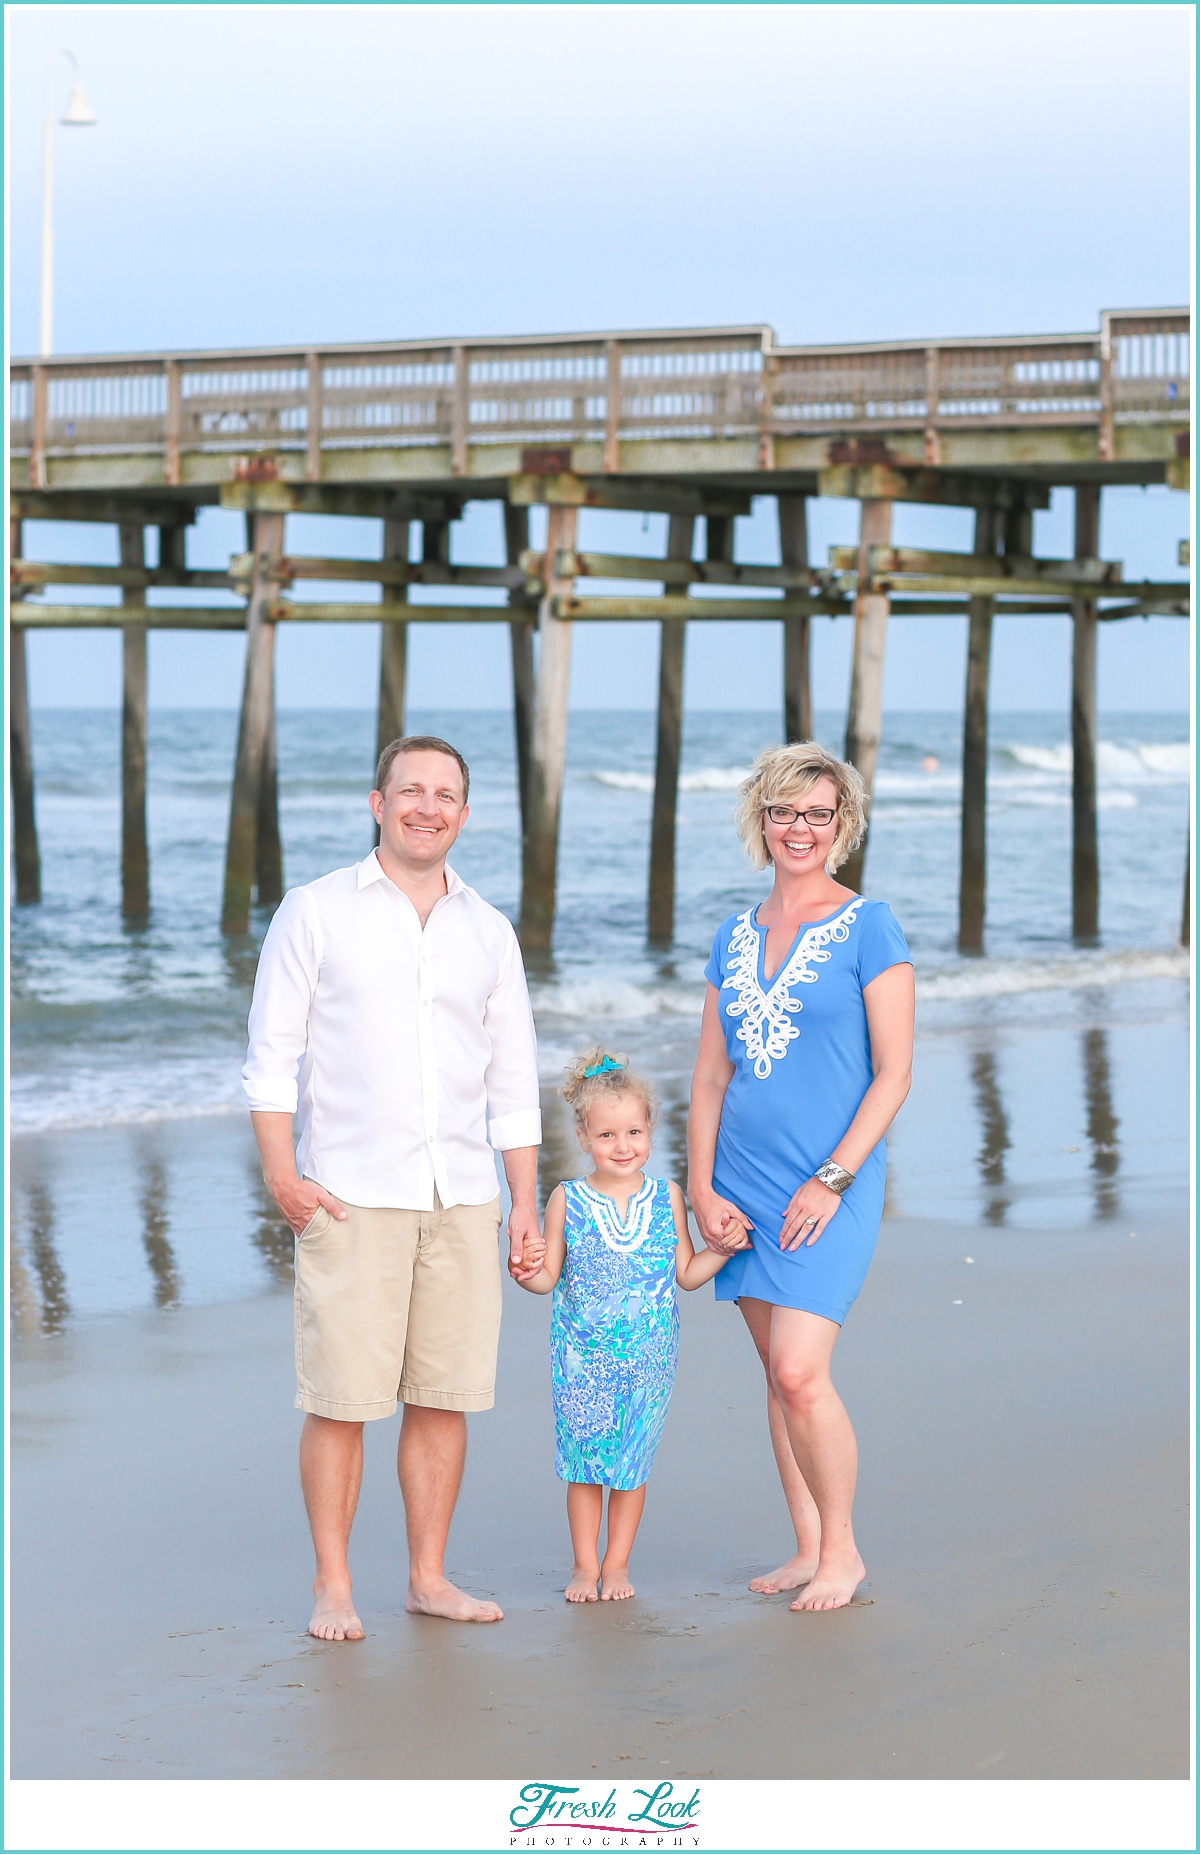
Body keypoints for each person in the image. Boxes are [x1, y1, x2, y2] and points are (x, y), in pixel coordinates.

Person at [242, 734, 544, 1642]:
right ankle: (333, 1586)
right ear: (377, 804)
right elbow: (270, 1059)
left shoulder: (489, 930)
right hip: (350, 1196)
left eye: (445, 794)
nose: (427, 806)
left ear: (464, 813)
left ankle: (427, 1577)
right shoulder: (316, 911)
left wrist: (523, 1200)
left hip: (462, 1195)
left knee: (443, 1395)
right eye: (410, 790)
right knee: (341, 1402)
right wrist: (282, 1176)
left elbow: (514, 1081)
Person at [688, 742, 914, 1613]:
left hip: (830, 1187)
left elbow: (893, 1074)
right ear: (762, 819)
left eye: (818, 813)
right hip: (740, 1183)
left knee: (797, 1372)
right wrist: (703, 1188)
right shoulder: (732, 936)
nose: (800, 828)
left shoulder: (870, 926)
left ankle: (844, 1553)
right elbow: (710, 1080)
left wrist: (832, 1179)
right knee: (772, 1372)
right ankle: (807, 1544)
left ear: (842, 827)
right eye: (785, 810)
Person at [515, 1048, 746, 1603]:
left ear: (650, 1131)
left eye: (634, 1133)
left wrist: (727, 1247)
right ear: (583, 1136)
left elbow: (687, 1274)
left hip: (648, 1357)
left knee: (631, 1462)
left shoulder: (668, 1197)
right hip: (582, 1360)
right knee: (584, 1464)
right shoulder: (566, 1200)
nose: (623, 1147)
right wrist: (524, 1273)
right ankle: (583, 1563)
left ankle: (616, 1565)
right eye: (608, 1136)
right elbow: (547, 1277)